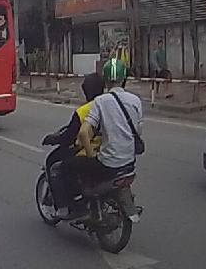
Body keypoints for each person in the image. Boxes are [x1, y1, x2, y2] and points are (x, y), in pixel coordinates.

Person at [61, 58, 143, 220]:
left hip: (109, 163)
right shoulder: (136, 101)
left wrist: (91, 155)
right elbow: (138, 131)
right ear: (124, 79)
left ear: (105, 81)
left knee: (68, 165)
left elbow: (83, 133)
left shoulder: (100, 101)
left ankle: (78, 208)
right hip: (129, 162)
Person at [43, 72, 105, 211]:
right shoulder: (109, 105)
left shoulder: (83, 111)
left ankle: (66, 204)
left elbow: (69, 137)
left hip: (88, 151)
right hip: (107, 149)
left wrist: (53, 139)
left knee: (57, 165)